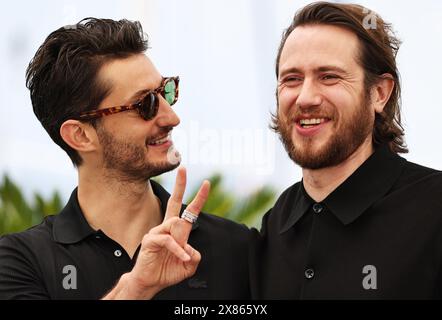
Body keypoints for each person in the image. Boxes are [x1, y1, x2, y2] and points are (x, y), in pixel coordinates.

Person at [0, 18, 250, 299]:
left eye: (166, 91)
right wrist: (137, 288)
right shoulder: (22, 261)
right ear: (80, 136)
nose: (172, 117)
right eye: (146, 104)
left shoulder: (235, 246)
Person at [250, 2, 442, 299]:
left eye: (329, 76)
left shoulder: (434, 210)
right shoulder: (276, 223)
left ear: (379, 93)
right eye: (291, 79)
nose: (306, 98)